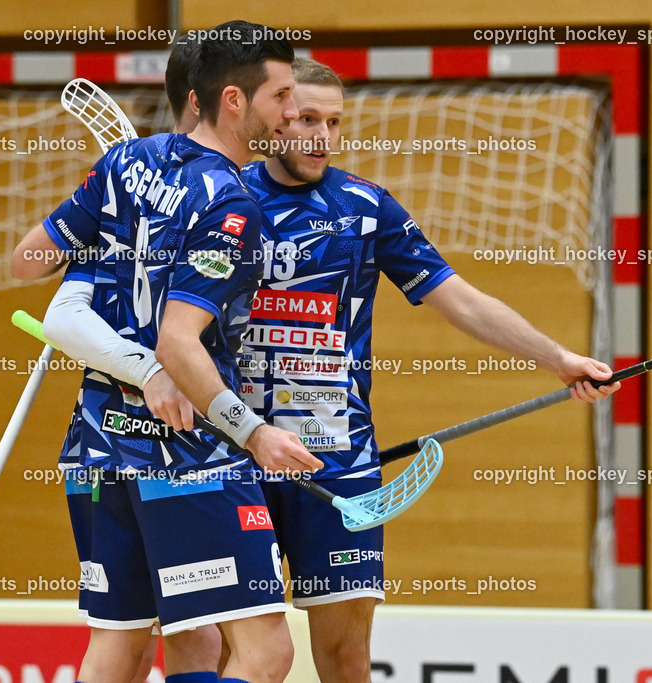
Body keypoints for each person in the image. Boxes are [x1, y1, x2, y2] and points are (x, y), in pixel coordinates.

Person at [231, 58, 620, 682]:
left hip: (336, 459)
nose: (323, 136)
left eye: (334, 122)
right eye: (307, 119)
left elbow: (461, 301)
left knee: (345, 654)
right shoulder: (224, 195)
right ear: (274, 118)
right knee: (239, 653)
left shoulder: (366, 207)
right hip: (229, 454)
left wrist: (559, 359)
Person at [31, 21, 317, 683]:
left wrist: (100, 254)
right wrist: (254, 434)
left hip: (99, 448)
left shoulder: (126, 164)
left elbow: (29, 260)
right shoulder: (231, 201)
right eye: (281, 96)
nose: (292, 112)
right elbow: (177, 343)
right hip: (189, 453)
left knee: (125, 650)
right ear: (232, 101)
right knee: (264, 651)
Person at [36, 37, 220, 683]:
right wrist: (149, 370)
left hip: (150, 449)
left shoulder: (209, 196)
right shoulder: (139, 200)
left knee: (169, 639)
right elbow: (61, 313)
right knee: (157, 641)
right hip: (128, 450)